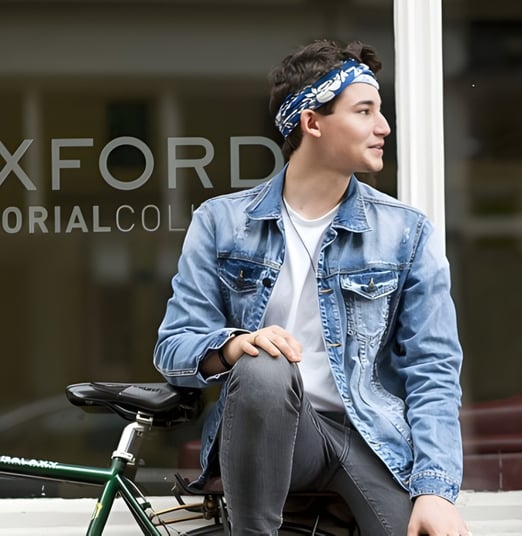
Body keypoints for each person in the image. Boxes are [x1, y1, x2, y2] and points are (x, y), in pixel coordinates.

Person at [154, 39, 469, 536]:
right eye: (364, 111)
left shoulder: (405, 231)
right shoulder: (221, 222)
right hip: (276, 432)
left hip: (368, 436)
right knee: (264, 364)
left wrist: (435, 488)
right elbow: (174, 347)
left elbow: (432, 368)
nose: (383, 126)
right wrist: (234, 346)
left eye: (380, 111)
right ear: (312, 122)